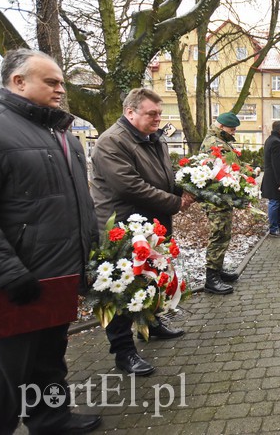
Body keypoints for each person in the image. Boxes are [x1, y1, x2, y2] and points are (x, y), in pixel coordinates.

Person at [0, 49, 101, 434]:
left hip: (58, 275)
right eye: (51, 82)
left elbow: (79, 204)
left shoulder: (64, 135)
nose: (60, 90)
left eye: (61, 83)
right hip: (14, 284)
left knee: (49, 359)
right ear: (18, 81)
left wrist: (91, 256)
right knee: (4, 379)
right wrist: (7, 271)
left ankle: (51, 419)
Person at [91, 87, 192, 376]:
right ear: (130, 112)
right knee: (121, 290)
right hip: (121, 230)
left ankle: (151, 323)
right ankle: (124, 352)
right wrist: (175, 202)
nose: (158, 118)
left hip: (152, 225)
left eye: (159, 113)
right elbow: (129, 186)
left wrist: (185, 190)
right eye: (152, 113)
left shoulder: (154, 138)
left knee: (153, 278)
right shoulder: (111, 142)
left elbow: (164, 175)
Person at [199, 111, 243, 295]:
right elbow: (221, 169)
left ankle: (218, 269)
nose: (233, 133)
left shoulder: (218, 141)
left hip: (220, 197)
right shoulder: (214, 143)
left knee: (223, 233)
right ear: (221, 127)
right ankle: (212, 278)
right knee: (218, 234)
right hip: (215, 198)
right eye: (231, 130)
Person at [261, 120, 280, 238]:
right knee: (274, 202)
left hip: (273, 178)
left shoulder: (272, 140)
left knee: (279, 200)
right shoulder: (276, 142)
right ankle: (274, 228)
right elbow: (276, 164)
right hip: (274, 179)